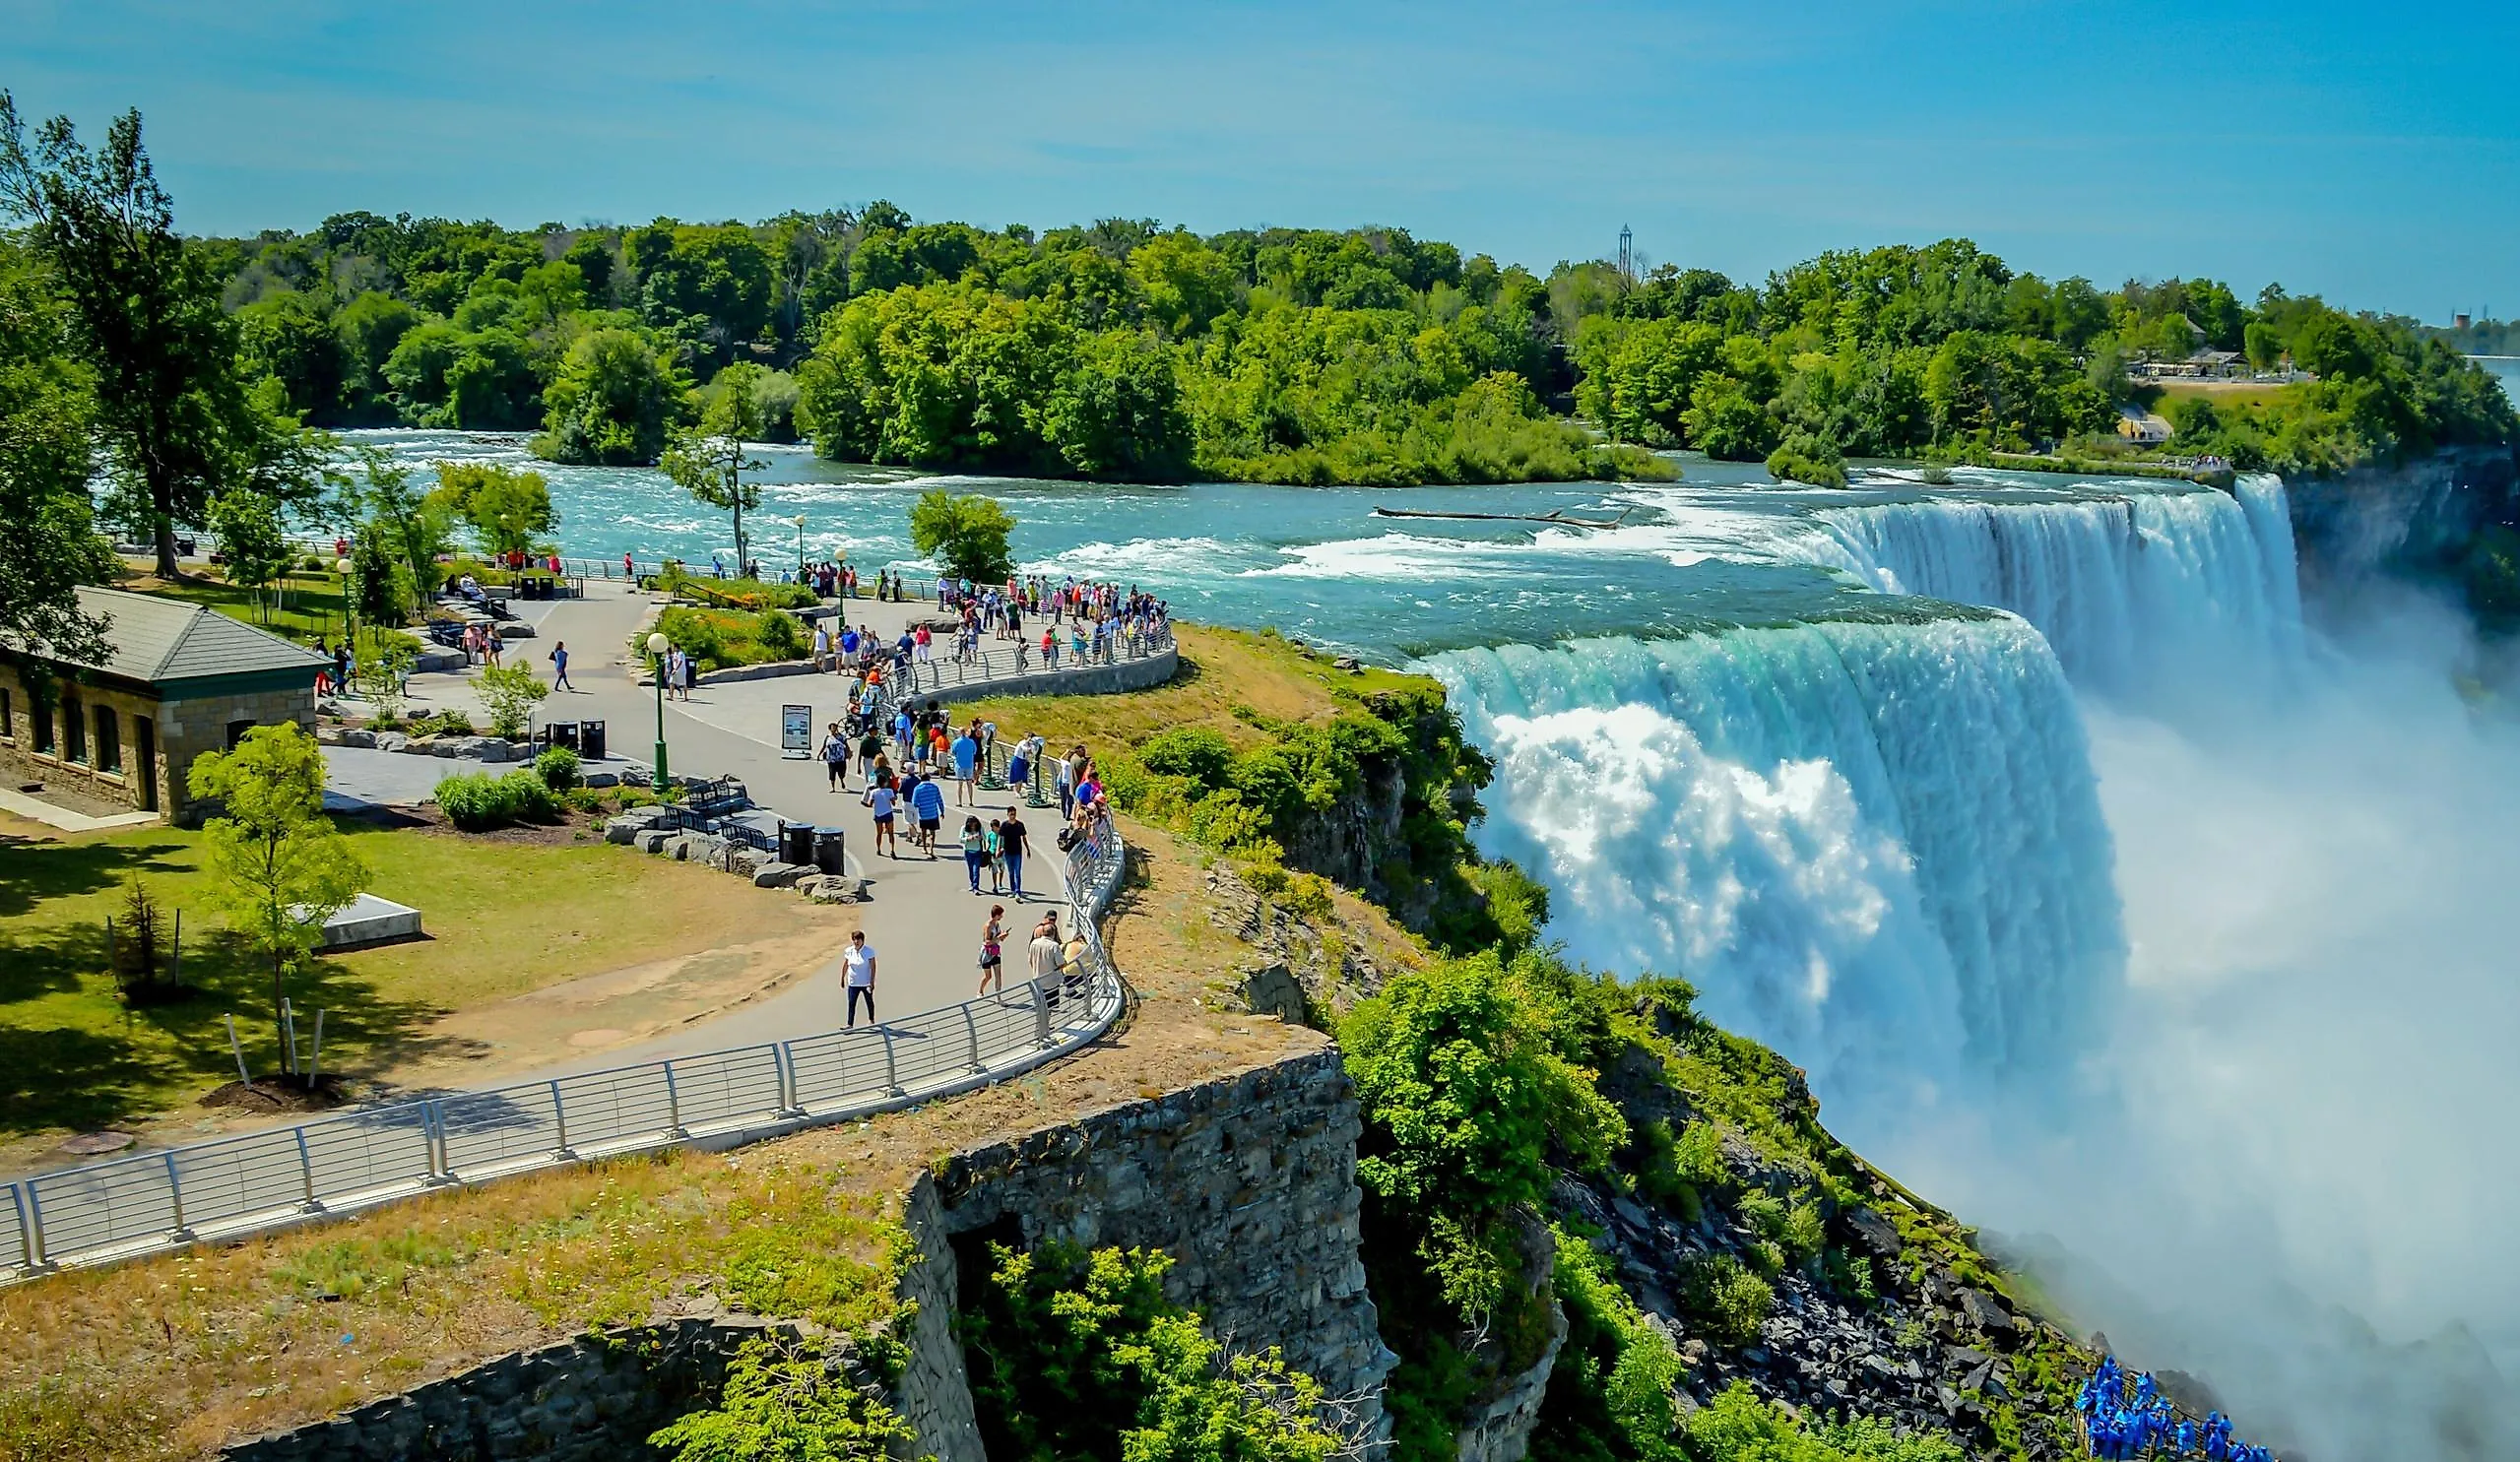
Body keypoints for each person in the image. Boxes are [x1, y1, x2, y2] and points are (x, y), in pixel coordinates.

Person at [1027, 911, 1064, 1010]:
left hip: (1037, 978)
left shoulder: (1034, 943)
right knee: (1049, 1006)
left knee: (1041, 1005)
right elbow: (1061, 963)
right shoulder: (1053, 945)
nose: (1052, 921)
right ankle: (1045, 1025)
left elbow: (1030, 959)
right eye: (1050, 919)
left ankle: (1041, 1025)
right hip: (1051, 980)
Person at [841, 929, 877, 1028]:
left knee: (869, 1001)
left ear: (862, 940)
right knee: (851, 1003)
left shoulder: (869, 951)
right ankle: (849, 1024)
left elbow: (873, 967)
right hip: (853, 983)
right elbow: (846, 965)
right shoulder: (849, 951)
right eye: (854, 939)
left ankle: (871, 1019)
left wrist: (872, 981)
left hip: (865, 983)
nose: (856, 942)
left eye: (858, 940)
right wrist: (842, 978)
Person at [909, 771, 945, 857]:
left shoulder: (917, 789)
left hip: (923, 815)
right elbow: (940, 800)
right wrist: (942, 811)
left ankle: (924, 848)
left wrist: (920, 805)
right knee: (932, 833)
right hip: (933, 814)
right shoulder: (935, 787)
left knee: (923, 832)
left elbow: (914, 803)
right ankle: (931, 849)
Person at [998, 805, 1029, 898]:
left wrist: (1027, 849)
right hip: (1008, 852)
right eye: (1011, 814)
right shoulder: (1004, 825)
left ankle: (1018, 891)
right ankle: (1013, 890)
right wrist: (998, 849)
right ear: (1008, 814)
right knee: (1011, 872)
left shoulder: (1020, 825)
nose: (1013, 816)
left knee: (1018, 873)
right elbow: (1000, 837)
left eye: (1014, 814)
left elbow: (1024, 838)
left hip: (1017, 852)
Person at [865, 777, 899, 858]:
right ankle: (892, 850)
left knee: (879, 833)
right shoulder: (889, 791)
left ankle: (879, 849)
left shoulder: (873, 792)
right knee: (891, 833)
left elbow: (869, 804)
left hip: (878, 814)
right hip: (888, 813)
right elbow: (893, 803)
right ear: (885, 783)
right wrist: (893, 799)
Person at [978, 905, 1008, 995]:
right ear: (996, 915)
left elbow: (999, 938)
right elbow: (987, 942)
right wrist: (999, 937)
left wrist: (1003, 936)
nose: (1002, 917)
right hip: (987, 954)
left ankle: (999, 998)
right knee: (988, 976)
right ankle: (980, 990)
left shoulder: (997, 924)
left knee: (998, 976)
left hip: (995, 952)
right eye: (1001, 915)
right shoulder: (988, 926)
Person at [949, 726, 980, 805]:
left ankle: (960, 802)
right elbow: (974, 751)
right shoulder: (971, 742)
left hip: (959, 765)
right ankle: (971, 801)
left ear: (959, 733)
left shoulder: (956, 742)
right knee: (969, 783)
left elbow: (953, 752)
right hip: (969, 765)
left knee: (960, 784)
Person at [959, 814, 988, 893]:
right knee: (971, 870)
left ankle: (976, 887)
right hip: (968, 852)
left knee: (976, 870)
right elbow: (960, 839)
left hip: (977, 852)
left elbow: (985, 837)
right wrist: (968, 838)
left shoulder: (980, 828)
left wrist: (980, 837)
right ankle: (972, 884)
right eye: (971, 824)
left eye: (974, 824)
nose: (973, 826)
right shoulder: (964, 828)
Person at [821, 722, 850, 792]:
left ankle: (842, 780)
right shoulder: (828, 737)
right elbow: (824, 746)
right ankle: (833, 788)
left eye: (835, 727)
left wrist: (848, 753)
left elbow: (846, 745)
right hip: (831, 759)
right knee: (832, 773)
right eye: (832, 727)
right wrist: (819, 754)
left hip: (841, 759)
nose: (834, 729)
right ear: (830, 729)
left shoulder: (841, 737)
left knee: (842, 773)